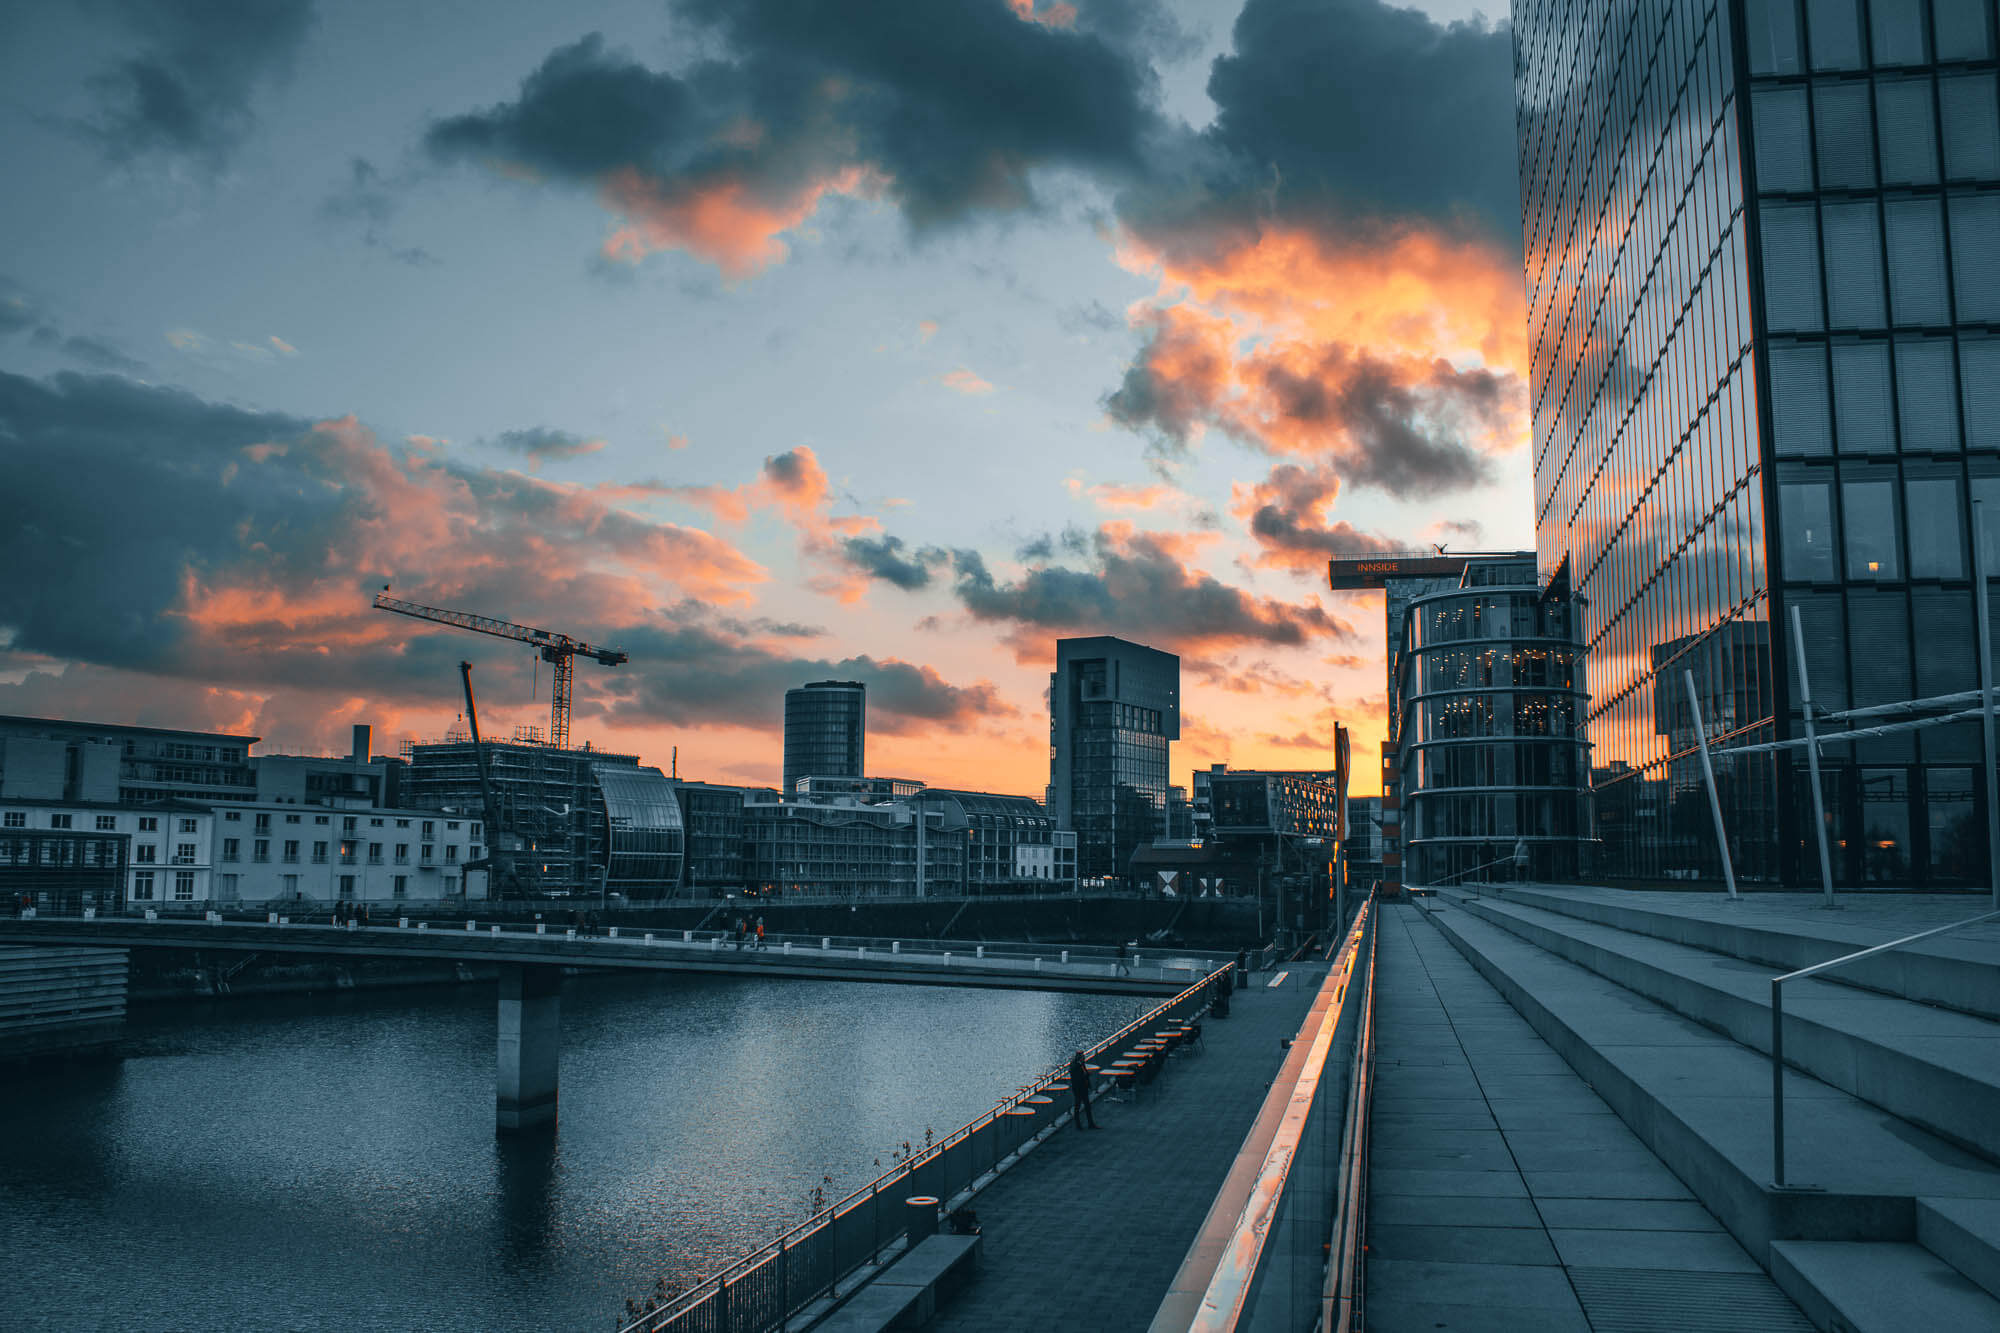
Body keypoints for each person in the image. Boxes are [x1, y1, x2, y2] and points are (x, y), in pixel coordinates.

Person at [1068, 1049, 1099, 1130]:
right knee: (1078, 1106)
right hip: (1078, 1088)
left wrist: (1087, 1075)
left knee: (1087, 1106)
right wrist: (1087, 1074)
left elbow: (1083, 1073)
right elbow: (1078, 1077)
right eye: (1083, 1056)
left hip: (1083, 1087)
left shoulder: (1080, 1063)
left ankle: (1090, 1123)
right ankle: (1079, 1125)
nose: (1084, 1057)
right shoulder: (1075, 1066)